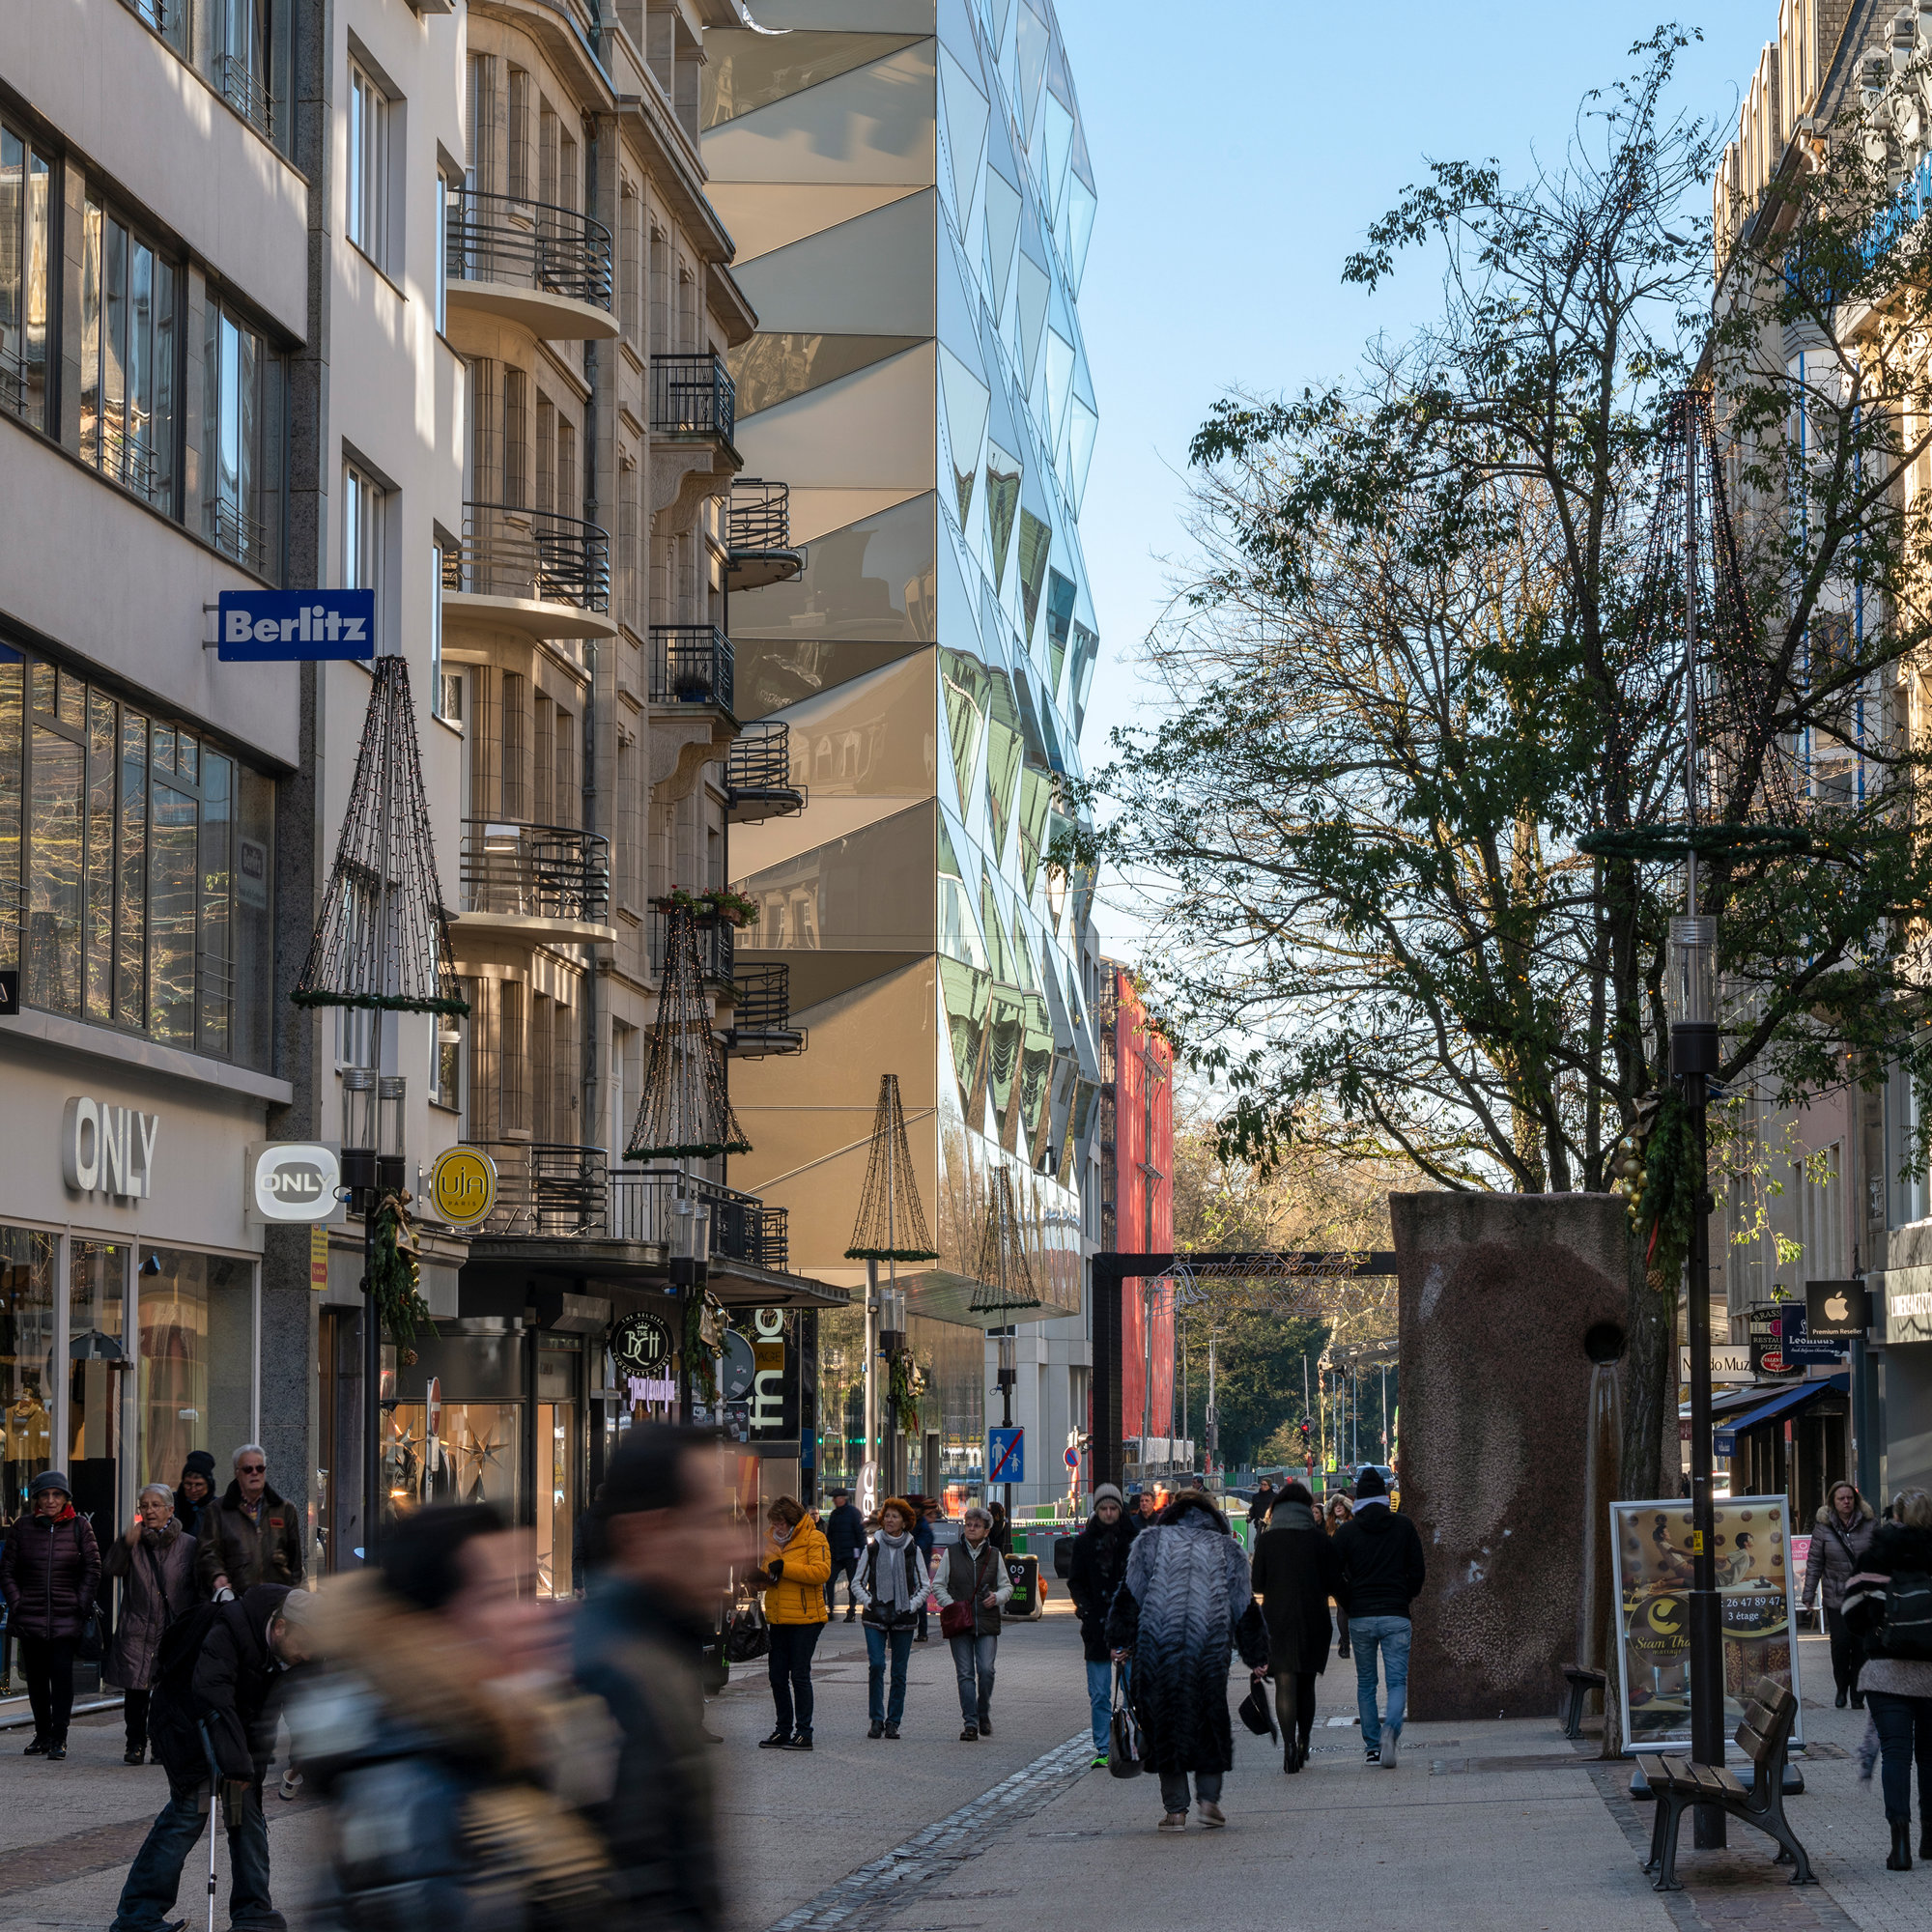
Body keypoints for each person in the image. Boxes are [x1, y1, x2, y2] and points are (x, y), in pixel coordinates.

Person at [296, 1503, 622, 1930]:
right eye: (503, 1595)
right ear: (433, 1632)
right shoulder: (423, 1796)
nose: (536, 1615)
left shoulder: (485, 1741)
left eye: (531, 1590)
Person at [574, 1425, 737, 1932]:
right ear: (645, 1532)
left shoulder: (650, 1655)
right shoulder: (607, 1681)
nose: (735, 1547)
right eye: (710, 1522)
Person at [110, 1583, 317, 1932]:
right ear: (281, 1628)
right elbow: (212, 1696)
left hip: (241, 1732)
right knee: (191, 1810)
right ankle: (137, 1916)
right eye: (306, 1644)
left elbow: (306, 1705)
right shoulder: (231, 1629)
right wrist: (235, 1766)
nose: (309, 1654)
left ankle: (253, 1913)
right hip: (187, 1720)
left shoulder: (301, 1652)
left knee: (244, 1815)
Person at [1106, 1489, 1267, 1831]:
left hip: (1157, 1650)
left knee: (1165, 1724)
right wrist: (1258, 1655)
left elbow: (1129, 1594)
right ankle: (1209, 1803)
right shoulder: (1229, 1549)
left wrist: (1118, 1639)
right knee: (1209, 1721)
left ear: (1172, 1513)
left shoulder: (1150, 1543)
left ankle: (1175, 1811)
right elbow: (1245, 1608)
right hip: (1207, 1651)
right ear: (1213, 1517)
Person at [1849, 1487, 1932, 1870]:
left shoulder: (1875, 1556)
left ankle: (1899, 1845)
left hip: (1886, 1675)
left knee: (1896, 1754)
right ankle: (1930, 1838)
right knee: (1930, 1757)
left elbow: (1852, 1615)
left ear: (1894, 1515)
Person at [0, 1468, 102, 1760]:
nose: (51, 1500)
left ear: (65, 1497)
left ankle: (59, 1736)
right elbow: (7, 1569)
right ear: (37, 1499)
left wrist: (80, 1603)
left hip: (66, 1615)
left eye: (56, 1495)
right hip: (30, 1614)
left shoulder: (80, 1526)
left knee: (61, 1678)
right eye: (45, 1495)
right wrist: (17, 1602)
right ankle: (42, 1734)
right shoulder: (23, 1527)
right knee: (35, 1679)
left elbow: (93, 1568)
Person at [1249, 1480, 1345, 1773]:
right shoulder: (1319, 1540)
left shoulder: (1267, 1540)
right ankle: (1304, 1740)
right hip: (1314, 1618)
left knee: (1285, 1683)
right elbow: (1333, 1582)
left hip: (1277, 1618)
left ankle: (1288, 1746)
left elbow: (1258, 1583)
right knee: (1307, 1683)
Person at [1333, 1464, 1425, 1768]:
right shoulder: (1403, 1526)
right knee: (1397, 1682)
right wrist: (1404, 1596)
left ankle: (1373, 1747)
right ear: (1385, 1495)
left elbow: (1333, 1576)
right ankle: (1391, 1730)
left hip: (1360, 1615)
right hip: (1396, 1613)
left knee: (1366, 1683)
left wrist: (1349, 1601)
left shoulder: (1347, 1532)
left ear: (1358, 1497)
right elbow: (1417, 1571)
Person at [105, 1483, 199, 1765]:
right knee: (136, 1692)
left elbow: (195, 1588)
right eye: (144, 1506)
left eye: (155, 1505)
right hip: (137, 1628)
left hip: (172, 1630)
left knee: (167, 1694)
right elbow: (111, 1569)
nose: (149, 1511)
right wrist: (124, 1544)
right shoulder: (133, 1542)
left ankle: (162, 1745)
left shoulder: (189, 1545)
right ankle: (135, 1744)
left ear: (170, 1510)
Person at [748, 1494, 830, 1751]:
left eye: (781, 1523)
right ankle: (783, 1729)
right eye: (774, 1523)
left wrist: (786, 1568)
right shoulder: (770, 1540)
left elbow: (821, 1572)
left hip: (807, 1618)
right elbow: (770, 1571)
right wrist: (760, 1578)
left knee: (800, 1674)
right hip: (778, 1616)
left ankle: (804, 1732)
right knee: (777, 1675)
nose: (777, 1528)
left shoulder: (815, 1538)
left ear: (792, 1520)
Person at [1068, 1483, 1138, 1765]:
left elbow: (1144, 1585)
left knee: (1133, 1692)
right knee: (1099, 1693)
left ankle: (1135, 1743)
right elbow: (1075, 1582)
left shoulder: (1135, 1541)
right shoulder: (1084, 1544)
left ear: (1120, 1510)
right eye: (1103, 1508)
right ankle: (1103, 1748)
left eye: (1113, 1508)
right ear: (1096, 1511)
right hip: (1096, 1627)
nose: (1109, 1513)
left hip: (1130, 1626)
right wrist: (1085, 1610)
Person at [931, 1499, 1012, 1740]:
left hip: (987, 1622)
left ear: (987, 1530)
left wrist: (997, 1598)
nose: (971, 1528)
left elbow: (1007, 1587)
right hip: (960, 1623)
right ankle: (970, 1723)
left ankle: (983, 1709)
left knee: (986, 1670)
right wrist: (951, 1604)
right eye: (968, 1524)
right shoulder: (952, 1553)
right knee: (965, 1673)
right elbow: (938, 1584)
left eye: (977, 1525)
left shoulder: (995, 1555)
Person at [853, 1496, 925, 1739]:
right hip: (876, 1615)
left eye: (895, 1516)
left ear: (905, 1522)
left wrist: (911, 1605)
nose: (890, 1520)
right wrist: (869, 1601)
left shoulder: (913, 1549)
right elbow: (857, 1583)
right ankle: (876, 1719)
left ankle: (893, 1722)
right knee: (876, 1665)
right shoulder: (872, 1547)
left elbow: (924, 1585)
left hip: (903, 1616)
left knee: (899, 1672)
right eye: (887, 1516)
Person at [1804, 1480, 1877, 1709]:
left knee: (1862, 1646)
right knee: (1841, 1645)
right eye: (1841, 1499)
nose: (1846, 1502)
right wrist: (1808, 1594)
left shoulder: (1870, 1524)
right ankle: (1841, 1687)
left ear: (1856, 1501)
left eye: (1850, 1498)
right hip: (1836, 1597)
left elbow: (1879, 1558)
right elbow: (1814, 1563)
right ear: (1832, 1503)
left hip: (1863, 1597)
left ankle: (1857, 1694)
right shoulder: (1823, 1528)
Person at [197, 1445, 304, 1599]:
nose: (255, 1473)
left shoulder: (284, 1509)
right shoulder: (217, 1510)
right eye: (248, 1469)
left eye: (260, 1468)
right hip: (237, 1599)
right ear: (237, 1473)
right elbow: (208, 1551)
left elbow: (295, 1561)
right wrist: (217, 1575)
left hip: (277, 1599)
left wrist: (293, 1595)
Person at [824, 1487, 865, 1621]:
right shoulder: (835, 1514)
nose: (834, 1500)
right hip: (837, 1555)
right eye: (834, 1499)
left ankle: (851, 1611)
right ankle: (830, 1609)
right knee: (830, 1581)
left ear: (843, 1498)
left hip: (850, 1555)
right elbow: (830, 1535)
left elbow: (860, 1533)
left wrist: (861, 1553)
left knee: (853, 1583)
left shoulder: (853, 1513)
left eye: (836, 1498)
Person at [1324, 1492, 1353, 1658]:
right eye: (1336, 1506)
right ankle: (1345, 1641)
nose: (1339, 1507)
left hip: (1352, 1571)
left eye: (1341, 1505)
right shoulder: (1329, 1528)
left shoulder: (1353, 1525)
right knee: (1341, 1608)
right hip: (1337, 1572)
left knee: (1350, 1608)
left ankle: (1348, 1639)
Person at [912, 1496, 938, 1642]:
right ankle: (920, 1631)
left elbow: (920, 1548)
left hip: (920, 1567)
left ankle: (922, 1631)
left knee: (920, 1598)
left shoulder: (923, 1527)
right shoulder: (917, 1525)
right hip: (916, 1566)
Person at [173, 1451, 216, 1535]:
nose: (193, 1490)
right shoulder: (170, 1503)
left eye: (198, 1485)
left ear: (209, 1484)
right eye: (188, 1484)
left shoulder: (217, 1508)